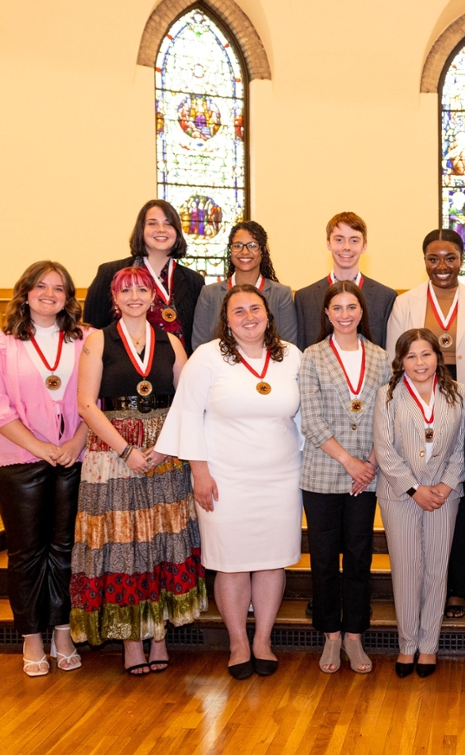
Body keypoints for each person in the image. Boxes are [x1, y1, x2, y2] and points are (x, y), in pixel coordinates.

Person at [155, 284, 302, 680]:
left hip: (281, 476)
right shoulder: (207, 358)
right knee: (231, 563)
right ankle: (238, 642)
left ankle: (263, 640)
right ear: (226, 318)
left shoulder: (291, 356)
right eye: (239, 311)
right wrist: (199, 472)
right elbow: (186, 414)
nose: (249, 316)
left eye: (256, 308)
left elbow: (306, 417)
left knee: (272, 561)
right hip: (224, 478)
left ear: (268, 315)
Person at [72, 266, 205, 675]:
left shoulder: (171, 341)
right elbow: (87, 404)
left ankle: (160, 635)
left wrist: (165, 448)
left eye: (142, 289)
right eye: (125, 289)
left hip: (164, 454)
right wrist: (126, 449)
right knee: (124, 545)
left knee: (162, 542)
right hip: (112, 454)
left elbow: (187, 399)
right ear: (114, 298)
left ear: (154, 298)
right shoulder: (98, 339)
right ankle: (131, 641)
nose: (134, 296)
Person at [0, 261, 90, 677]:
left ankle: (62, 631)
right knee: (26, 554)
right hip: (19, 462)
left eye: (59, 288)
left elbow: (94, 399)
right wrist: (41, 447)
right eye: (41, 286)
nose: (50, 294)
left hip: (74, 457)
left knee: (65, 551)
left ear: (68, 298)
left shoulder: (85, 341)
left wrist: (75, 441)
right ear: (25, 292)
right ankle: (31, 636)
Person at [386, 229, 465, 619]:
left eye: (450, 257)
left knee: (462, 492)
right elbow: (394, 357)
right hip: (419, 404)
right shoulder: (406, 303)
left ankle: (460, 587)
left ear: (462, 258)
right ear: (424, 260)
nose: (442, 266)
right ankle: (420, 582)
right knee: (425, 490)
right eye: (434, 258)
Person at [298, 281, 390, 675]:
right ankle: (330, 634)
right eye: (337, 307)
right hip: (322, 473)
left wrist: (368, 462)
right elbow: (312, 420)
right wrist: (349, 462)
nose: (345, 314)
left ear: (361, 312)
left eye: (352, 307)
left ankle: (354, 633)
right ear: (327, 314)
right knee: (322, 559)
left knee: (358, 556)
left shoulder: (382, 358)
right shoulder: (313, 356)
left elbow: (386, 416)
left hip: (366, 475)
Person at [372, 328, 465, 678]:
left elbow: (462, 446)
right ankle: (407, 644)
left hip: (444, 494)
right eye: (411, 356)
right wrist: (415, 488)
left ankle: (429, 646)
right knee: (407, 570)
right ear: (401, 362)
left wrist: (444, 483)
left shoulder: (457, 393)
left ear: (437, 358)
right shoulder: (388, 395)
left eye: (426, 354)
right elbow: (384, 449)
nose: (419, 362)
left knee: (436, 569)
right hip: (400, 494)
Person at [83, 200, 205, 354]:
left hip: (179, 370)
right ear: (141, 229)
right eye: (152, 223)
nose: (161, 229)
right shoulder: (110, 272)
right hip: (122, 369)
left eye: (168, 224)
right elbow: (93, 329)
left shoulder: (194, 280)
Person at [295, 211, 397, 350]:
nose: (346, 247)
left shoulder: (385, 298)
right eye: (339, 239)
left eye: (354, 240)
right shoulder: (305, 299)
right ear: (328, 243)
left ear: (364, 246)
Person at [191, 221, 298, 350]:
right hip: (219, 369)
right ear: (230, 250)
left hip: (269, 368)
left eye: (252, 245)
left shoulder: (281, 294)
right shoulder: (209, 294)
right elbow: (199, 346)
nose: (245, 251)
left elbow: (288, 346)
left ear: (263, 250)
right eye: (238, 245)